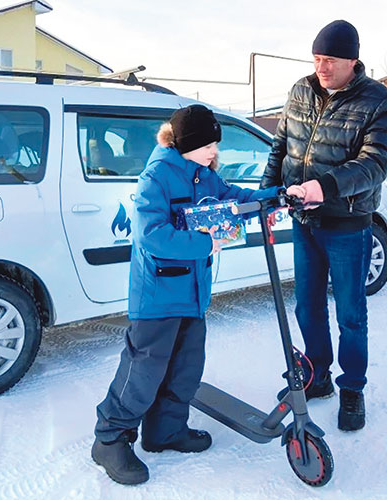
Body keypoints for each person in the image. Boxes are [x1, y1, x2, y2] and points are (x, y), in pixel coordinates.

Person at [92, 104, 280, 485]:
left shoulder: (205, 176)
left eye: (215, 144)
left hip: (194, 294)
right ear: (185, 144)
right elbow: (151, 235)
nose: (214, 152)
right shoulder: (156, 178)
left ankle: (165, 431)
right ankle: (110, 438)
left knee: (186, 368)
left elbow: (234, 198)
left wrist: (275, 197)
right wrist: (203, 244)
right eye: (208, 145)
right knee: (144, 369)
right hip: (157, 295)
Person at [261, 20, 387, 432]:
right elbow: (280, 146)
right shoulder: (301, 89)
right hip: (304, 219)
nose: (321, 67)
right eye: (317, 58)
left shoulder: (379, 101)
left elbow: (377, 162)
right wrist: (269, 191)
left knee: (351, 314)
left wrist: (326, 186)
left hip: (347, 223)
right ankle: (318, 375)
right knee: (307, 304)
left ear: (351, 61)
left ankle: (352, 389)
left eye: (330, 60)